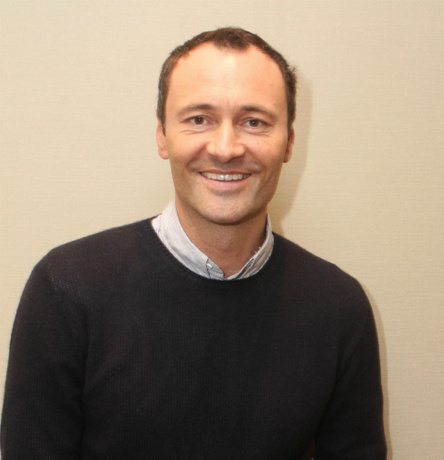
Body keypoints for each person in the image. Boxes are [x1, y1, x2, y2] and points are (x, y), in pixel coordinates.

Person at [1, 27, 386, 459]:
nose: (225, 148)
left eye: (254, 122)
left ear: (289, 142)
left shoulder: (340, 308)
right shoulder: (67, 290)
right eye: (199, 119)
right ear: (162, 135)